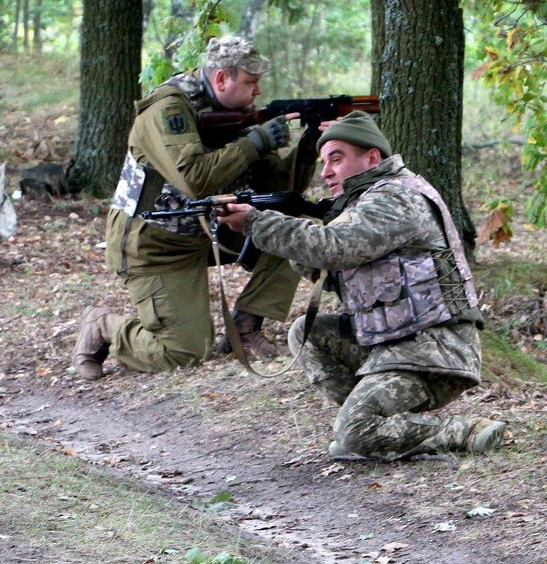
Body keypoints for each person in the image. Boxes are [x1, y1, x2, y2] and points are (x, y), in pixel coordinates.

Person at [216, 111, 505, 461]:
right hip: (393, 344)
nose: (326, 172)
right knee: (305, 333)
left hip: (431, 352)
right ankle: (375, 423)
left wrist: (257, 223)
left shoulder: (395, 197)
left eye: (336, 159)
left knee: (352, 434)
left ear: (371, 157)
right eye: (324, 162)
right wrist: (290, 238)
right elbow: (331, 270)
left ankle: (463, 430)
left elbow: (334, 248)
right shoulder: (363, 203)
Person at [73, 35, 315, 380]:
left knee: (294, 229)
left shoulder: (239, 114)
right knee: (184, 353)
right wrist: (256, 141)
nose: (258, 91)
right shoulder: (169, 107)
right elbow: (194, 179)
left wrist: (308, 147)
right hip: (156, 245)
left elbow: (276, 187)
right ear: (222, 79)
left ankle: (245, 328)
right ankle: (103, 326)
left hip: (209, 232)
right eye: (251, 82)